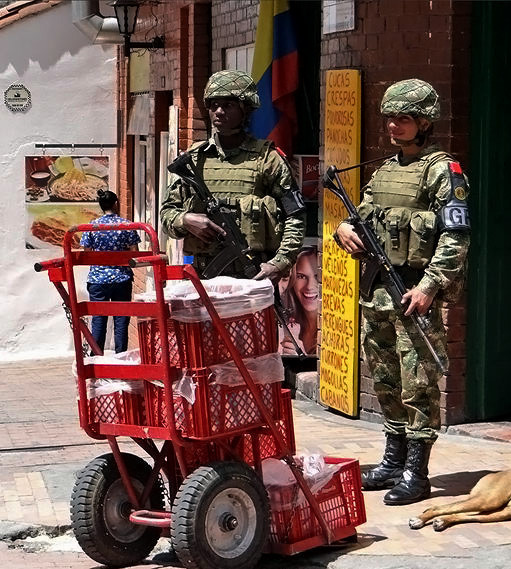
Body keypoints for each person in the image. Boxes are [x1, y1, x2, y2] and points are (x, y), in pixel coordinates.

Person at [333, 79, 471, 505]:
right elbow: (363, 216)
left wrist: (430, 286)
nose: (394, 125)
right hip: (377, 291)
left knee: (419, 382)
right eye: (390, 117)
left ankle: (417, 470)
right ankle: (392, 460)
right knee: (386, 377)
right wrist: (343, 230)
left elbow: (456, 236)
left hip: (413, 292)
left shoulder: (442, 171)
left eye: (404, 118)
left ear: (424, 122)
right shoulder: (385, 170)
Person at [159, 70, 306, 284]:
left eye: (227, 105)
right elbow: (167, 213)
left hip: (253, 278)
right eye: (213, 105)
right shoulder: (193, 161)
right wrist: (186, 220)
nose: (218, 112)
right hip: (203, 279)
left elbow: (296, 216)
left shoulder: (268, 159)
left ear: (245, 109)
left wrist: (280, 262)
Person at [80, 189, 141, 354]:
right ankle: (120, 355)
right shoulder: (127, 226)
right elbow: (134, 253)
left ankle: (97, 357)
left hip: (98, 280)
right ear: (116, 204)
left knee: (98, 319)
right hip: (121, 279)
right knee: (121, 319)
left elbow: (87, 254)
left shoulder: (91, 227)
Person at [279, 247, 320, 355]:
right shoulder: (287, 323)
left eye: (318, 277)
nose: (310, 286)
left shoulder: (336, 328)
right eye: (301, 276)